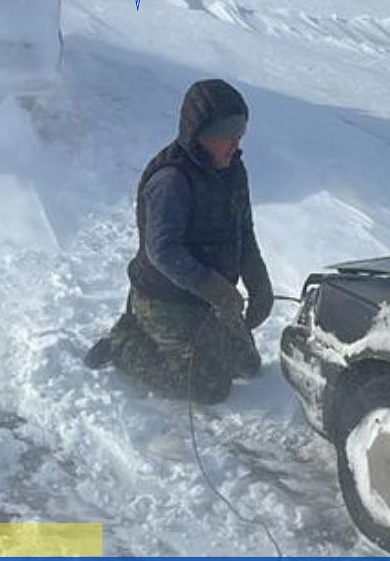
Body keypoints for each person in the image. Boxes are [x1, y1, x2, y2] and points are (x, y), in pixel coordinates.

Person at [83, 79, 273, 405]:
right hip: (165, 298)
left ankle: (150, 329)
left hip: (208, 298)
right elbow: (163, 251)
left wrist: (259, 285)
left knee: (246, 366)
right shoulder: (171, 180)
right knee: (209, 387)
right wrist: (216, 288)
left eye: (238, 132)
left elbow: (245, 231)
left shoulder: (233, 170)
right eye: (224, 134)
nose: (233, 143)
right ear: (198, 134)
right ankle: (125, 342)